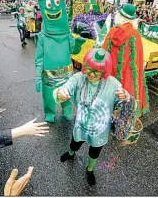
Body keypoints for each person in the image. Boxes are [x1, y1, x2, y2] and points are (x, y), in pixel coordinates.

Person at [55, 48, 134, 185]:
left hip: (100, 130)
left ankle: (90, 169)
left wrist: (126, 96)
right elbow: (67, 86)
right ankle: (71, 153)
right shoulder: (79, 77)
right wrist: (61, 92)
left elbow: (127, 102)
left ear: (105, 71)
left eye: (97, 71)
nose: (90, 74)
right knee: (75, 142)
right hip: (81, 124)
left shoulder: (113, 84)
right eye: (88, 68)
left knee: (95, 151)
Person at [101, 4, 149, 146]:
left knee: (110, 98)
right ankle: (122, 130)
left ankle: (107, 123)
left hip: (111, 74)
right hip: (128, 77)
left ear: (120, 16)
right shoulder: (135, 35)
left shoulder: (112, 32)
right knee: (127, 102)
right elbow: (137, 60)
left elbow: (104, 53)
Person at [35, 0, 85, 122]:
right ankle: (49, 112)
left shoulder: (67, 35)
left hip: (66, 72)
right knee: (48, 96)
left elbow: (73, 50)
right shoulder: (43, 37)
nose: (53, 9)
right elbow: (39, 58)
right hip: (49, 74)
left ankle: (67, 110)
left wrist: (78, 44)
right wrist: (37, 76)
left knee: (67, 93)